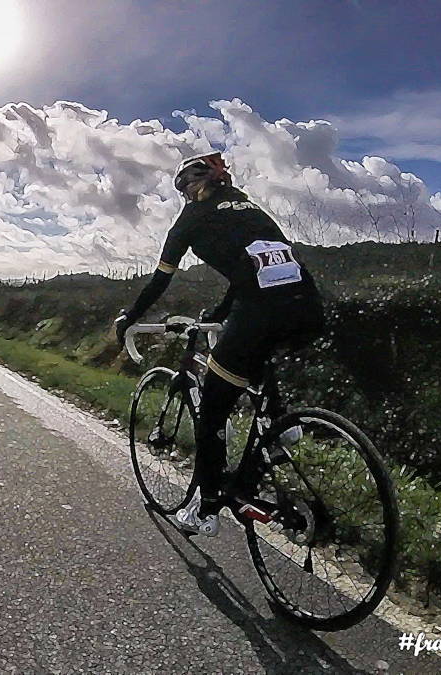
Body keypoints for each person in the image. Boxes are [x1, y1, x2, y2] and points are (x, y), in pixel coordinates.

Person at [114, 152, 324, 537]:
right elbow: (255, 270)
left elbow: (161, 280)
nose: (185, 195)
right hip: (308, 306)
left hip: (261, 309)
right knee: (256, 351)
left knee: (213, 406)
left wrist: (130, 317)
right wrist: (224, 310)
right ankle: (278, 426)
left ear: (199, 184)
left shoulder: (193, 217)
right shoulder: (250, 208)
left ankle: (206, 508)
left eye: (186, 187)